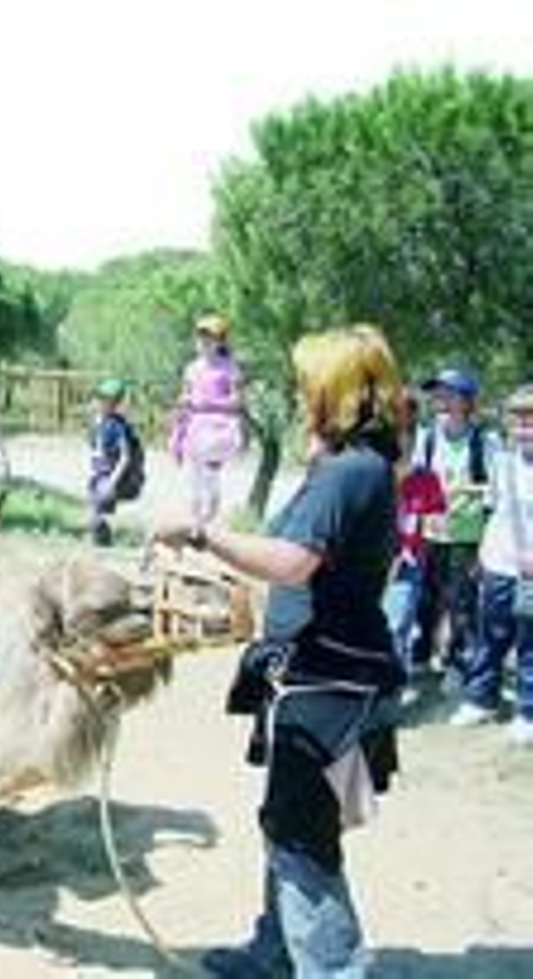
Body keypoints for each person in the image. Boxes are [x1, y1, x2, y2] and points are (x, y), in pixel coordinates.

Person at [152, 324, 406, 978]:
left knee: (301, 835)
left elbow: (292, 563)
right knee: (289, 821)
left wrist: (204, 534)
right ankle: (276, 951)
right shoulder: (355, 465)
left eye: (306, 385)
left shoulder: (350, 471)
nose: (298, 397)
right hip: (317, 674)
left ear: (336, 390)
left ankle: (333, 968)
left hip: (331, 679)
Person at [451, 384, 533, 740]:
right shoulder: (502, 462)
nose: (524, 428)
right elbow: (494, 510)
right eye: (518, 420)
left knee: (530, 640)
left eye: (531, 420)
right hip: (499, 562)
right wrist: (483, 554)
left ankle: (528, 712)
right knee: (491, 633)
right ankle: (481, 700)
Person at [411, 367, 496, 680]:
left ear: (465, 400)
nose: (440, 399)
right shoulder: (428, 436)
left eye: (448, 392)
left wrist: (464, 490)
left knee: (462, 602)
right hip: (431, 534)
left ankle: (459, 661)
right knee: (425, 599)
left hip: (467, 536)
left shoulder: (484, 441)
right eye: (437, 392)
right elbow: (418, 483)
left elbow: (494, 491)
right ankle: (421, 655)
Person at [382, 387, 446, 692]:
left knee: (397, 625)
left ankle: (391, 692)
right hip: (367, 565)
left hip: (408, 564)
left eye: (408, 430)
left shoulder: (426, 479)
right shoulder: (367, 473)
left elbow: (436, 521)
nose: (401, 438)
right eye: (395, 430)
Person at [169, 314, 246, 525]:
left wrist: (209, 403)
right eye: (200, 337)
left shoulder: (230, 367)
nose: (203, 342)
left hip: (217, 429)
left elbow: (238, 402)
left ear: (220, 341)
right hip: (195, 427)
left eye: (209, 337)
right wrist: (176, 433)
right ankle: (196, 523)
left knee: (209, 473)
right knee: (193, 478)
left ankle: (209, 515)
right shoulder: (191, 368)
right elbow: (184, 400)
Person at [87, 377, 139, 547]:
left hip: (108, 477)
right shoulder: (96, 421)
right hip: (97, 476)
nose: (99, 402)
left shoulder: (116, 425)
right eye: (99, 398)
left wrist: (112, 481)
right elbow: (96, 450)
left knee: (96, 514)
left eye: (104, 399)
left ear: (114, 403)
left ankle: (105, 544)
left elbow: (125, 457)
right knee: (94, 514)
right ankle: (103, 541)